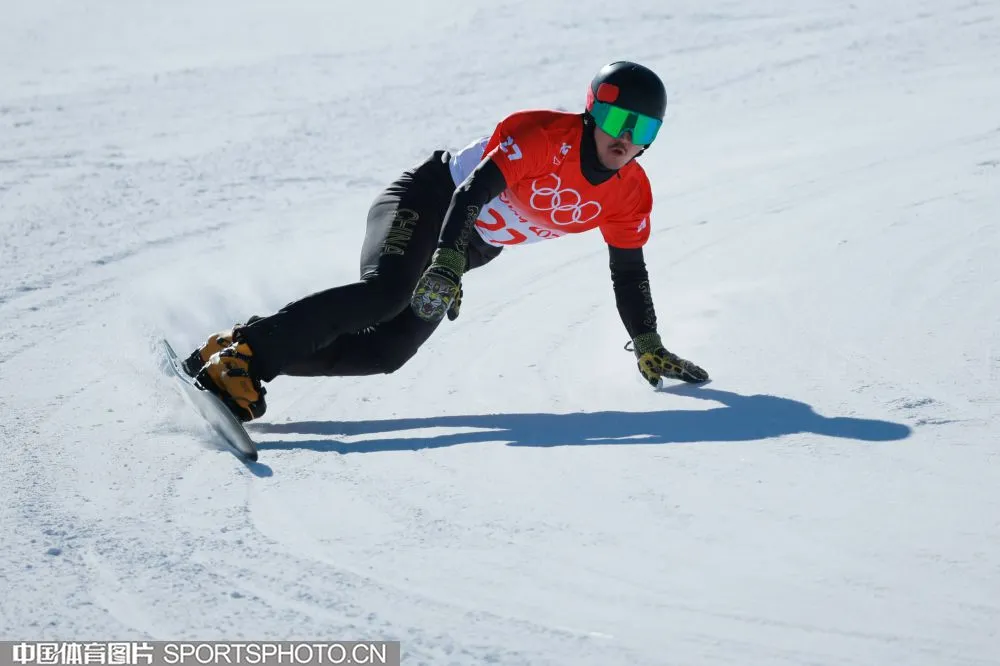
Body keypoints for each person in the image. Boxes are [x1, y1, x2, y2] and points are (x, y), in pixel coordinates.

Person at [181, 60, 709, 423]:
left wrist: (647, 341)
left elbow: (628, 271)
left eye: (643, 131)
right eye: (617, 120)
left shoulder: (630, 194)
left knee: (389, 349)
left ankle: (239, 349)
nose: (625, 139)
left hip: (469, 246)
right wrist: (447, 257)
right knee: (387, 294)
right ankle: (246, 357)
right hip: (429, 200)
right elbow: (471, 192)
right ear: (593, 112)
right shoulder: (544, 137)